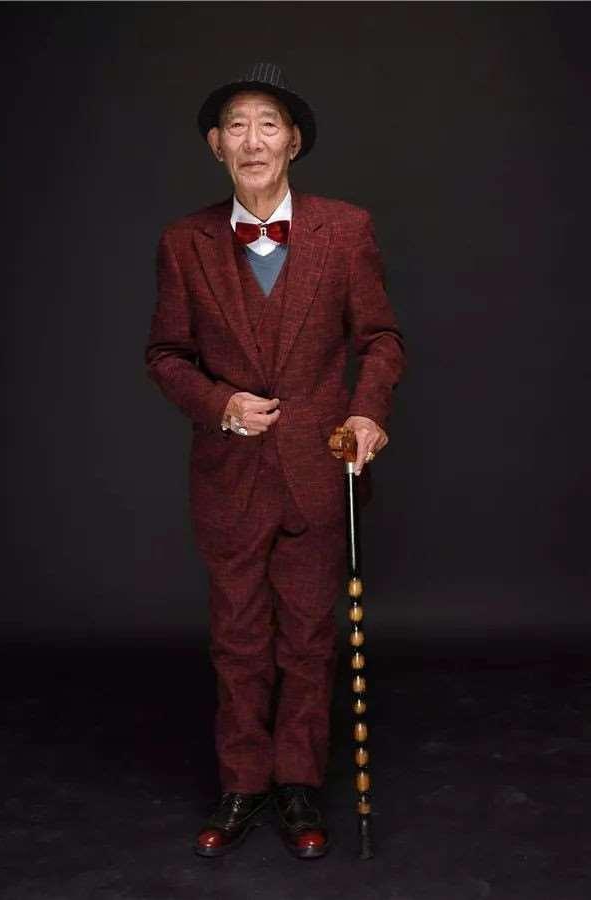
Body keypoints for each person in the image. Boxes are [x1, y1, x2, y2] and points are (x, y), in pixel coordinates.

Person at [144, 62, 406, 859]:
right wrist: (220, 404)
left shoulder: (346, 229)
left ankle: (298, 785)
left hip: (319, 468)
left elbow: (380, 340)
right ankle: (242, 783)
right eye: (237, 126)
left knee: (308, 636)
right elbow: (165, 355)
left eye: (267, 125)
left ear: (293, 141)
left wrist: (367, 410)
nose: (252, 140)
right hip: (229, 476)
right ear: (215, 145)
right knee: (237, 638)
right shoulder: (184, 241)